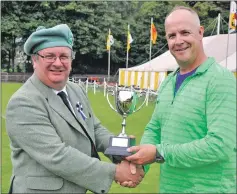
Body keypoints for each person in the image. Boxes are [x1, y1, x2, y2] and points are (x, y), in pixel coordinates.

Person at [6, 24, 144, 193]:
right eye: (49, 56)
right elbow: (57, 155)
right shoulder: (23, 102)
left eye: (64, 56)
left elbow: (94, 128)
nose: (58, 63)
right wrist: (115, 172)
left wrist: (123, 151)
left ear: (71, 60)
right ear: (35, 60)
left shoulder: (75, 90)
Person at [126, 6, 236, 193]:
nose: (178, 41)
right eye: (171, 36)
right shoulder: (168, 82)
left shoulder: (221, 79)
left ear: (200, 33)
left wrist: (159, 153)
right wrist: (138, 165)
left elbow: (219, 145)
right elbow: (156, 128)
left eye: (185, 32)